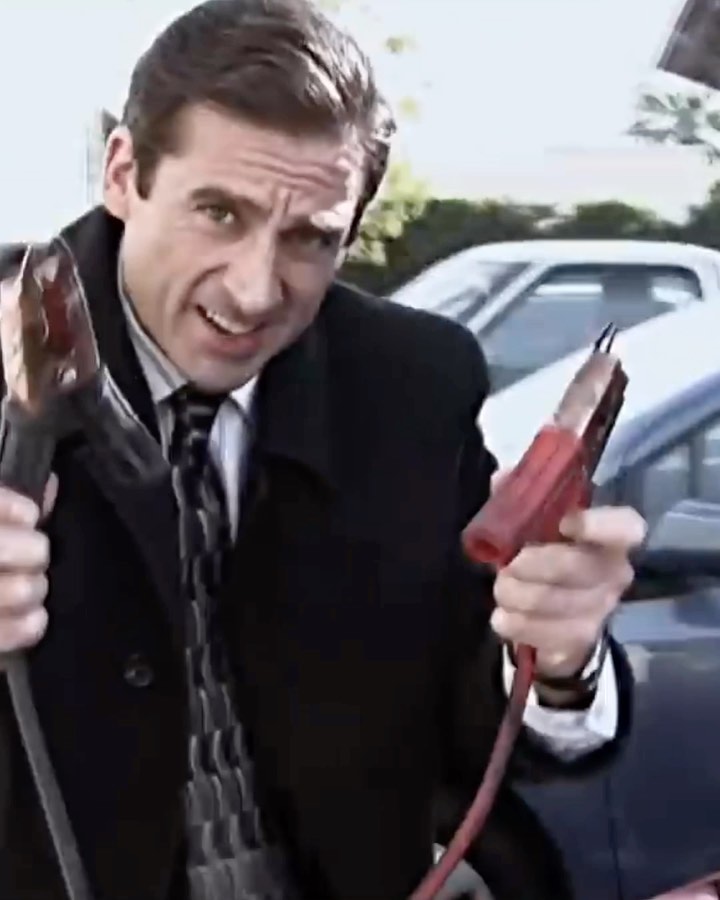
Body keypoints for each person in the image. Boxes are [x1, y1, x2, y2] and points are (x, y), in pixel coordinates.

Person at [0, 2, 645, 898]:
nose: (255, 291)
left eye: (311, 238)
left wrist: (562, 659)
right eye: (218, 213)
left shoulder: (415, 384)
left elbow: (487, 720)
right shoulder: (17, 344)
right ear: (123, 173)